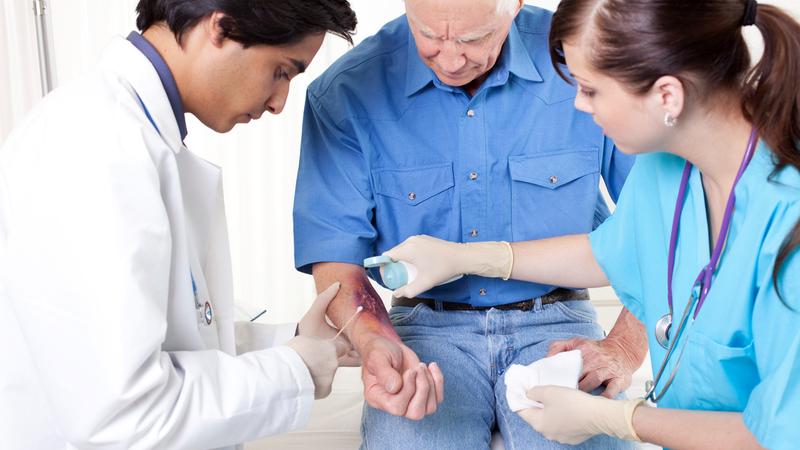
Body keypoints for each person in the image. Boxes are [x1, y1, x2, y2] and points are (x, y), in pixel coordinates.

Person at [381, 0, 800, 448]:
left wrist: (620, 420)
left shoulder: (786, 224)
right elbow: (608, 253)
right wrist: (462, 257)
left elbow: (778, 435)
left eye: (591, 89)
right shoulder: (667, 169)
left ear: (666, 96)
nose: (579, 105)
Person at [0, 1, 358, 449]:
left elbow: (178, 335)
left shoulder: (137, 137)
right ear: (221, 28)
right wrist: (295, 369)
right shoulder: (91, 146)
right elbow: (126, 414)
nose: (279, 102)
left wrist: (295, 340)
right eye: (282, 71)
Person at [293, 0, 646, 447]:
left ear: (514, 5)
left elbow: (667, 228)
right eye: (430, 37)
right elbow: (335, 260)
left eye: (472, 39)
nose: (451, 59)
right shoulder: (345, 93)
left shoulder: (584, 63)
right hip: (424, 329)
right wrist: (375, 344)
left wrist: (624, 349)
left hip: (558, 324)